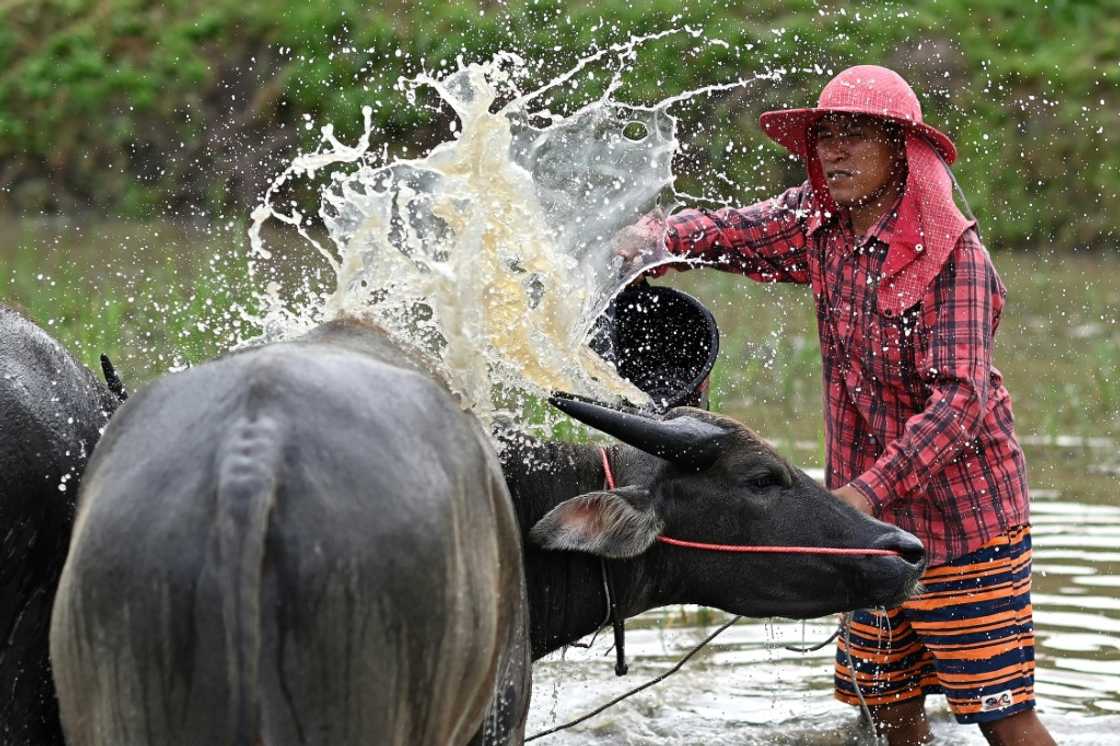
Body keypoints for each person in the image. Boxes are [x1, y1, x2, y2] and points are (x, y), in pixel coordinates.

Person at [616, 65, 1055, 746]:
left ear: (901, 152)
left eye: (857, 136)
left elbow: (960, 402)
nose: (835, 152)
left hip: (963, 523)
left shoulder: (953, 258)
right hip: (862, 522)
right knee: (887, 708)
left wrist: (862, 494)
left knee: (1001, 714)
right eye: (825, 137)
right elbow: (733, 232)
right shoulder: (818, 223)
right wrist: (655, 240)